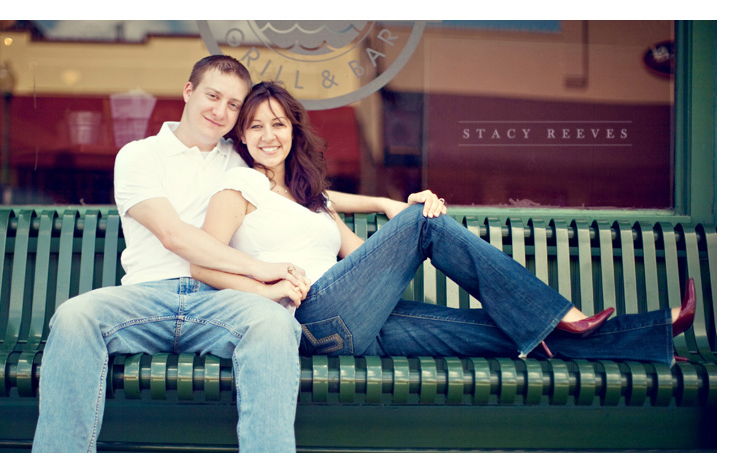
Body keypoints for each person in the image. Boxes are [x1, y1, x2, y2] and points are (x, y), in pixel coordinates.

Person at [0, 57, 358, 453]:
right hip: (147, 295)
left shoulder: (239, 158)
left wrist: (383, 203)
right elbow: (175, 236)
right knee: (75, 316)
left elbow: (304, 194)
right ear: (188, 91)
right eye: (213, 96)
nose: (222, 111)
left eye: (234, 104)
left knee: (276, 325)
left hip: (224, 299)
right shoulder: (139, 156)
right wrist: (263, 269)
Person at [190, 81, 696, 366]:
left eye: (278, 123)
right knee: (424, 221)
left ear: (293, 132)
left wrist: (385, 212)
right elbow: (202, 267)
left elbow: (355, 257)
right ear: (241, 137)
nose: (267, 135)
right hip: (312, 321)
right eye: (255, 126)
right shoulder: (235, 191)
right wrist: (268, 283)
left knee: (502, 333)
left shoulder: (309, 199)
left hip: (357, 323)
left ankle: (652, 332)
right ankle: (561, 310)